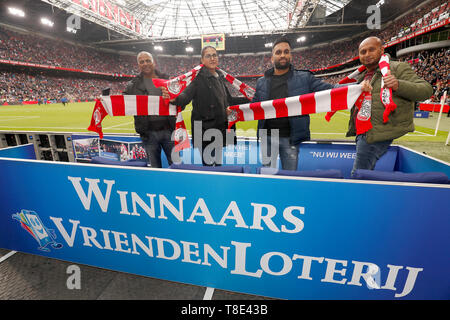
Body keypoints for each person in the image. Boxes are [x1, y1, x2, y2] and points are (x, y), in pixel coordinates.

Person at [347, 37, 433, 176]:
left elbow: (426, 90)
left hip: (376, 132)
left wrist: (398, 85)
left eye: (371, 49)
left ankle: (358, 196)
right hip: (363, 131)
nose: (367, 54)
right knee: (363, 173)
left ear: (382, 50)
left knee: (358, 175)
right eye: (363, 52)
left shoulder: (397, 67)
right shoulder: (361, 75)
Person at [252, 37, 337, 170]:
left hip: (290, 137)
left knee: (290, 176)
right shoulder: (262, 82)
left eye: (286, 52)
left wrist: (357, 86)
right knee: (267, 176)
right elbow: (253, 106)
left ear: (291, 55)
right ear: (272, 57)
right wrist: (233, 108)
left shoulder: (304, 78)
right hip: (267, 136)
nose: (283, 55)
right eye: (278, 52)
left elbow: (331, 89)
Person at [171, 46, 247, 166]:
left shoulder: (220, 77)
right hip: (203, 131)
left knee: (218, 164)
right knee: (208, 166)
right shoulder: (197, 79)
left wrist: (249, 99)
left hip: (219, 127)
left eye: (214, 55)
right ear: (202, 60)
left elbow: (230, 100)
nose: (212, 58)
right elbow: (184, 97)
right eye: (208, 56)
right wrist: (174, 98)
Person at [123, 51, 174, 168]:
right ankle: (157, 186)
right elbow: (122, 101)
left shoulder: (167, 80)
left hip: (169, 131)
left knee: (177, 165)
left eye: (148, 60)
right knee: (154, 169)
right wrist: (105, 100)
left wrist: (174, 98)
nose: (145, 64)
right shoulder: (133, 85)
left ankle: (179, 186)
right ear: (138, 65)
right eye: (142, 62)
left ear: (153, 62)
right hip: (148, 133)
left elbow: (179, 101)